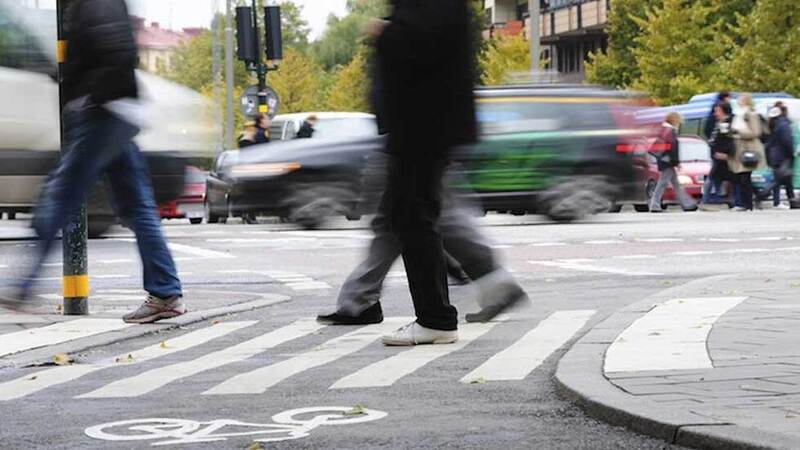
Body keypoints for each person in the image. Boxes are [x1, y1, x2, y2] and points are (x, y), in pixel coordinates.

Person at [0, 0, 184, 324]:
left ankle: (21, 286)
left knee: (59, 196)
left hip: (104, 114)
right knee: (135, 206)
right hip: (114, 110)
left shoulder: (96, 2)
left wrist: (84, 96)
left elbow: (113, 52)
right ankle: (166, 291)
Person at [363, 0, 478, 346]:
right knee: (413, 215)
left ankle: (436, 319)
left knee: (411, 215)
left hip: (423, 123)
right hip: (427, 122)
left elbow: (423, 42)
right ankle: (436, 317)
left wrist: (385, 34)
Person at [317, 177, 529, 327]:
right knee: (396, 221)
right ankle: (359, 301)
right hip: (413, 140)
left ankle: (362, 302)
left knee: (432, 216)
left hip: (419, 141)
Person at [649, 112, 698, 213]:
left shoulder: (664, 130)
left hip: (664, 160)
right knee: (663, 183)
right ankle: (655, 204)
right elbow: (673, 148)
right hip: (668, 161)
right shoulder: (669, 131)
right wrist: (676, 162)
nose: (679, 123)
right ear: (674, 120)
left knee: (675, 184)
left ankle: (687, 204)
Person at [729, 94, 766, 211]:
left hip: (748, 149)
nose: (738, 102)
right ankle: (749, 201)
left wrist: (739, 132)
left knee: (745, 177)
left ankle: (748, 204)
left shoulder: (751, 114)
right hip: (739, 149)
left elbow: (755, 132)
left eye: (740, 100)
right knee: (740, 177)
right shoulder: (738, 115)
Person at [758, 106, 795, 209]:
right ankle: (762, 195)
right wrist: (791, 155)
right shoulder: (784, 125)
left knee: (787, 179)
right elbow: (787, 142)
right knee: (779, 180)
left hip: (774, 156)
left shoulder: (773, 126)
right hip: (783, 156)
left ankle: (791, 201)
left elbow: (768, 144)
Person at [703, 103, 736, 209]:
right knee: (716, 179)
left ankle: (708, 200)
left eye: (717, 111)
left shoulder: (727, 124)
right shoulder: (719, 123)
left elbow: (727, 140)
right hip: (718, 157)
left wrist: (728, 153)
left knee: (732, 180)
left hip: (723, 157)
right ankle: (710, 200)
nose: (715, 114)